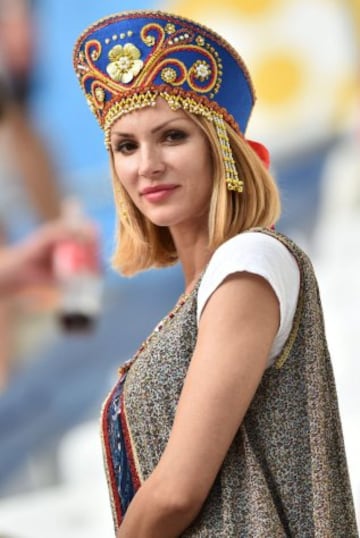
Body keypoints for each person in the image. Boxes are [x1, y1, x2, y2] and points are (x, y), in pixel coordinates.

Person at [73, 10, 358, 537]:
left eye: (173, 136)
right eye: (127, 146)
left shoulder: (249, 261)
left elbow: (177, 492)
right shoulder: (202, 289)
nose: (147, 165)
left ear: (220, 148)